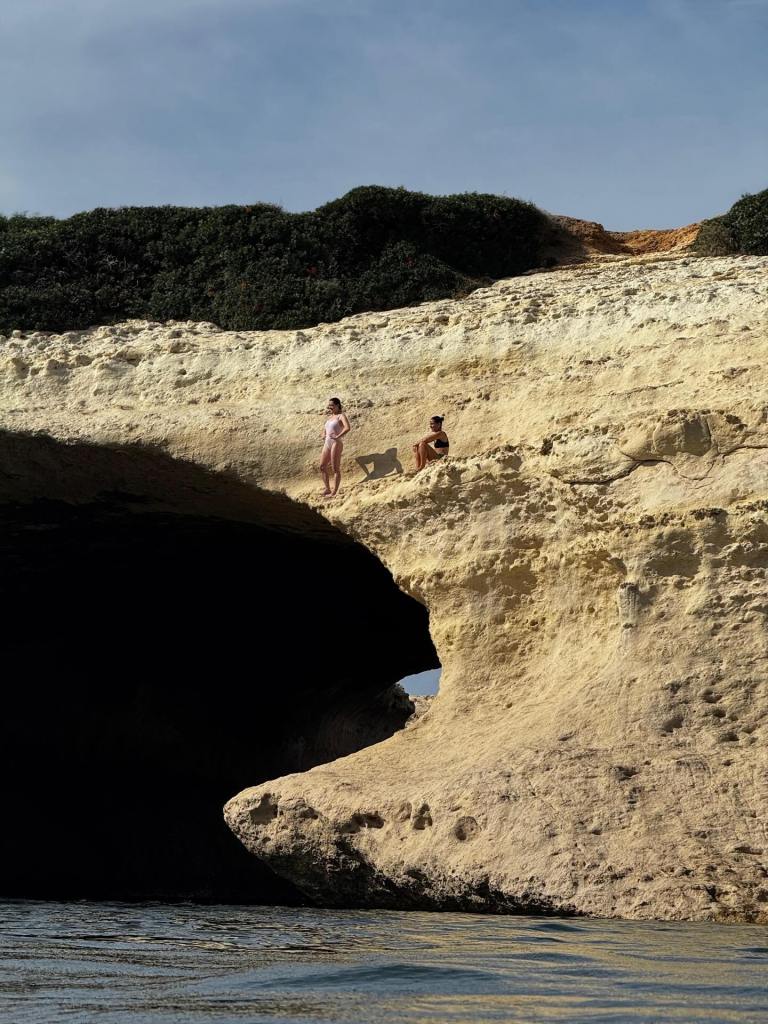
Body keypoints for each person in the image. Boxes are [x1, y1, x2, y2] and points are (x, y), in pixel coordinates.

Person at [320, 397, 350, 497]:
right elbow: (325, 430)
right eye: (329, 405)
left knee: (335, 468)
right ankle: (327, 489)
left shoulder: (341, 416)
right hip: (327, 443)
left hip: (336, 443)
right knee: (322, 466)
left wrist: (338, 436)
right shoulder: (330, 418)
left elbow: (347, 428)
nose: (330, 407)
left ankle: (334, 492)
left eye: (332, 405)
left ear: (337, 405)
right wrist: (323, 435)